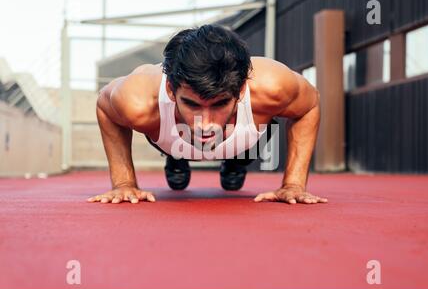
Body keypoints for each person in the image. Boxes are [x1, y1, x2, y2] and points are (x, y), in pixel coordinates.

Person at [88, 24, 327, 205]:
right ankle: (176, 157)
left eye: (220, 103)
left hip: (244, 142)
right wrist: (124, 182)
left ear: (241, 90)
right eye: (192, 105)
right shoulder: (137, 99)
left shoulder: (273, 86)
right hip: (173, 138)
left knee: (235, 174)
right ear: (171, 90)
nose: (206, 123)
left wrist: (294, 184)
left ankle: (235, 162)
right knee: (177, 171)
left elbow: (310, 104)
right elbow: (104, 106)